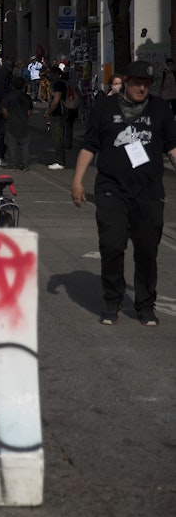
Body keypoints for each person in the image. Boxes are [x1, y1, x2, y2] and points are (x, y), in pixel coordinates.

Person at [70, 60, 176, 327]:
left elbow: (173, 148)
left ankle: (145, 305)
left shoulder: (160, 109)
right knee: (112, 246)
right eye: (137, 82)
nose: (142, 88)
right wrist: (77, 181)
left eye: (147, 84)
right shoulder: (104, 108)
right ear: (125, 81)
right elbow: (89, 145)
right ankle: (112, 300)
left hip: (149, 192)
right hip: (111, 189)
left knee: (146, 251)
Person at [0, 76, 34, 170]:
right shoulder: (27, 97)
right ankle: (25, 164)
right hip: (24, 123)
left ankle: (12, 163)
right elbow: (29, 111)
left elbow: (4, 110)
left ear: (12, 85)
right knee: (24, 146)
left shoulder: (7, 96)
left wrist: (8, 118)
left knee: (12, 145)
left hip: (11, 122)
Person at [44, 66, 68, 170]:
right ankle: (60, 160)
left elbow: (56, 100)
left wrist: (48, 112)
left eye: (51, 74)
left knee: (58, 137)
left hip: (58, 113)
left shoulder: (59, 84)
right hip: (59, 113)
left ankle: (60, 161)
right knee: (58, 137)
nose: (50, 76)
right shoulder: (60, 83)